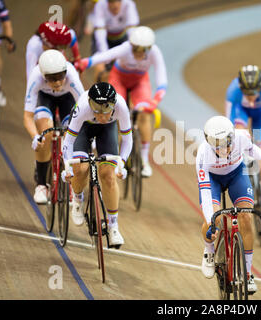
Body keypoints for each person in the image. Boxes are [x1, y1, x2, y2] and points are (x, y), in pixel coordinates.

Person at [76, 25, 167, 178]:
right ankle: (109, 139)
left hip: (140, 82)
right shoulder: (125, 48)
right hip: (119, 79)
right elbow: (105, 56)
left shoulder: (155, 52)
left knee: (144, 114)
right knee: (113, 109)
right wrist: (85, 62)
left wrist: (155, 101)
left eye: (142, 50)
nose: (138, 52)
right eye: (135, 49)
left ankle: (144, 160)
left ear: (149, 48)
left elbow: (162, 79)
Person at [197, 115, 261, 294]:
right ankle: (209, 252)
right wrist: (210, 220)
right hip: (212, 181)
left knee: (246, 216)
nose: (225, 148)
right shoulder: (203, 155)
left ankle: (247, 273)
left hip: (236, 175)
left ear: (232, 136)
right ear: (210, 143)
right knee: (212, 221)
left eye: (228, 143)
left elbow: (253, 150)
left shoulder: (241, 136)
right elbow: (206, 193)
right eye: (219, 145)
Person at [62, 82, 132, 247]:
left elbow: (128, 139)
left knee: (108, 176)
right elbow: (69, 141)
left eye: (105, 110)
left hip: (107, 130)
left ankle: (113, 225)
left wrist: (121, 163)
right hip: (83, 129)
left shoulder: (122, 107)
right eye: (96, 108)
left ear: (113, 106)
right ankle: (78, 199)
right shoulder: (83, 107)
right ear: (90, 102)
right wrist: (67, 166)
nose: (100, 115)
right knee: (81, 168)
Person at [23, 50, 84, 204]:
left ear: (65, 72)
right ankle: (42, 184)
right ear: (43, 76)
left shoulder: (72, 76)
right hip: (45, 99)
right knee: (46, 132)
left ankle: (69, 179)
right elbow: (27, 117)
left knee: (71, 133)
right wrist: (35, 136)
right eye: (51, 78)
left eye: (60, 76)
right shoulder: (35, 77)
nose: (57, 82)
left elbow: (85, 110)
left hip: (67, 99)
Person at [225, 65, 261, 223]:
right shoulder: (233, 89)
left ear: (260, 87)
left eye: (254, 94)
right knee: (238, 133)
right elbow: (229, 119)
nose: (250, 99)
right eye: (247, 94)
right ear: (241, 87)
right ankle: (244, 171)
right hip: (240, 112)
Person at [90, 0, 139, 82]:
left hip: (121, 38)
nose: (115, 5)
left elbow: (132, 32)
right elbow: (100, 35)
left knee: (130, 65)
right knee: (100, 67)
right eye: (111, 2)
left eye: (118, 1)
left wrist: (132, 52)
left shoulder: (129, 4)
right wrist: (105, 56)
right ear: (107, 2)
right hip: (104, 37)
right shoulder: (100, 5)